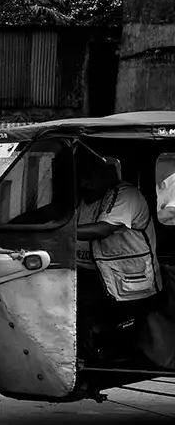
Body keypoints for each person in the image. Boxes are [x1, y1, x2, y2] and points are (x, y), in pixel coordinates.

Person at [75, 148, 161, 356]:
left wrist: (60, 232)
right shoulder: (81, 199)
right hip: (90, 274)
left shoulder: (126, 195)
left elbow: (102, 230)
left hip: (128, 281)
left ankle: (95, 362)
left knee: (91, 321)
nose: (83, 184)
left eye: (88, 178)